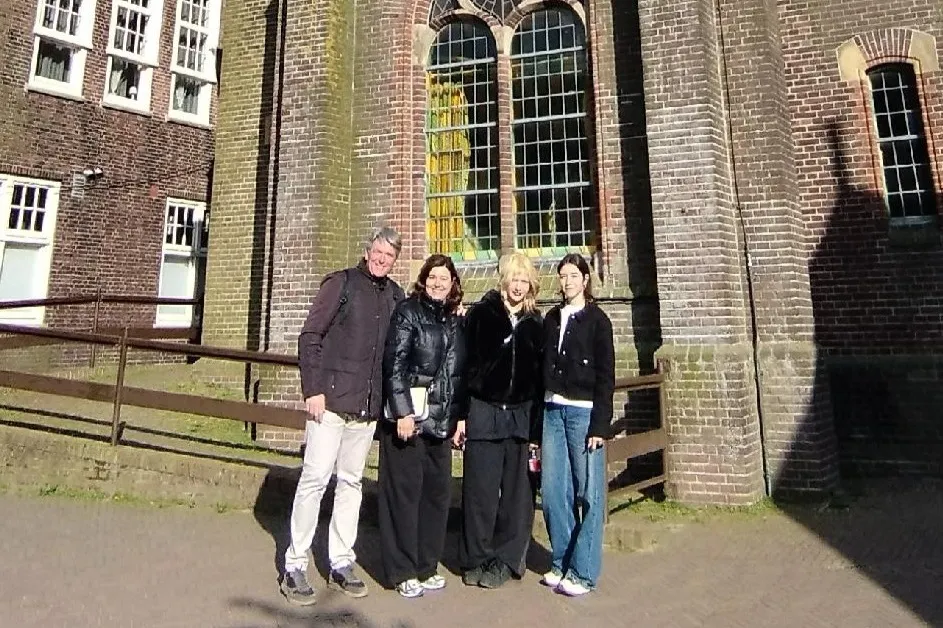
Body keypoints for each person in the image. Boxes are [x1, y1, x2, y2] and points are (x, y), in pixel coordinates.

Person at [280, 227, 405, 606]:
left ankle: (340, 561)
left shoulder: (395, 295)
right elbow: (310, 336)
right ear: (367, 251)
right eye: (378, 252)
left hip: (366, 409)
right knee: (315, 479)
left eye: (389, 256)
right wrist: (313, 389)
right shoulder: (341, 283)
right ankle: (295, 564)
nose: (382, 259)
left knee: (351, 483)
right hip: (330, 403)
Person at [453, 252, 544, 589]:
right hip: (484, 412)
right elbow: (464, 367)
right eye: (513, 279)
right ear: (503, 280)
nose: (518, 286)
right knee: (480, 492)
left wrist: (537, 430)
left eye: (524, 280)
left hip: (521, 417)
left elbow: (541, 379)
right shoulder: (480, 315)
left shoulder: (536, 324)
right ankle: (475, 557)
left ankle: (506, 560)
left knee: (518, 496)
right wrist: (461, 416)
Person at [378, 254, 466, 599]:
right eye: (433, 276)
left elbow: (458, 375)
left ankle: (426, 566)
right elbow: (395, 364)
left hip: (440, 422)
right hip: (410, 420)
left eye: (444, 277)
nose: (438, 283)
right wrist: (402, 412)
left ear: (453, 283)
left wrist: (459, 418)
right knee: (404, 495)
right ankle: (402, 570)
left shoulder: (456, 320)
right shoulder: (407, 312)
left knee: (435, 495)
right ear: (423, 279)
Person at [539, 253, 615, 597]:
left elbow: (606, 377)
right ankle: (562, 561)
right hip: (553, 411)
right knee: (554, 491)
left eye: (573, 275)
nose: (567, 281)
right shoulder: (552, 318)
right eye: (563, 275)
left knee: (589, 492)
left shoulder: (599, 322)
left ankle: (583, 572)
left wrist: (600, 426)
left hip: (584, 414)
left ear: (585, 280)